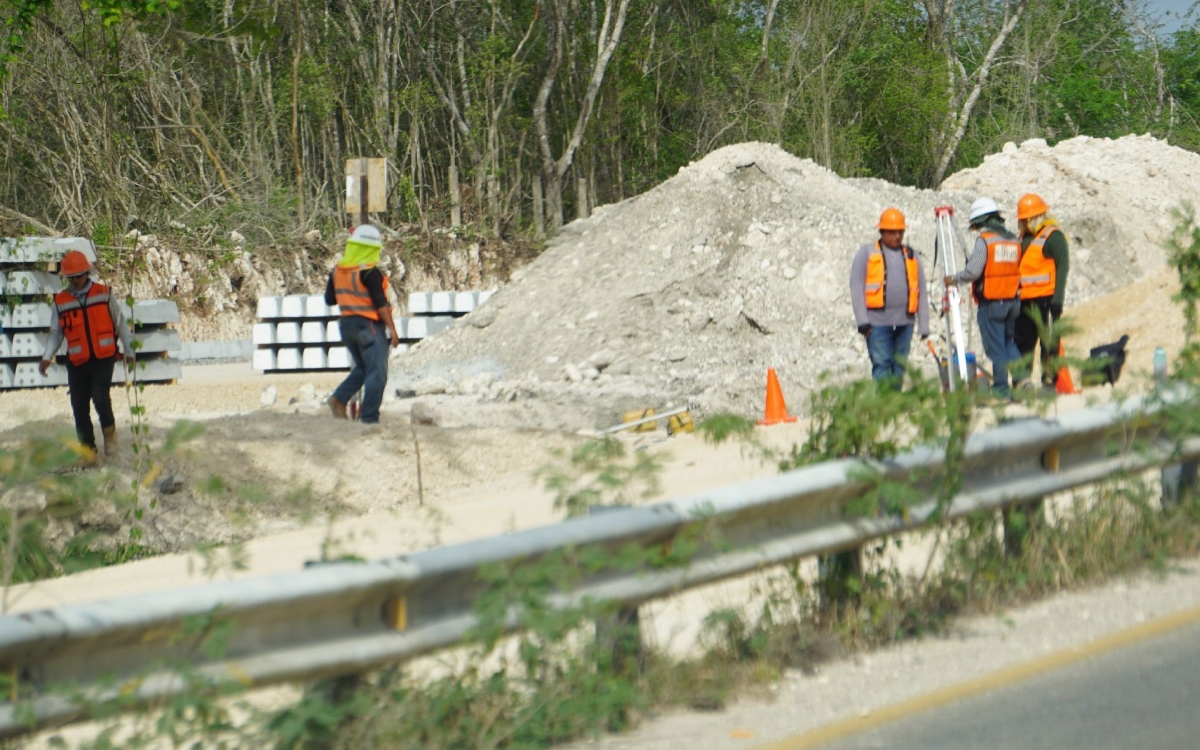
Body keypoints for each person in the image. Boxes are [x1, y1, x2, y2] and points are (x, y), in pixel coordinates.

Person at [39, 250, 134, 464]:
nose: (74, 281)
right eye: (70, 277)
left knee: (100, 397)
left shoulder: (104, 294)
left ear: (87, 273)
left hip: (104, 357)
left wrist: (129, 351)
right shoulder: (60, 301)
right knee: (79, 407)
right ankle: (88, 452)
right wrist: (47, 356)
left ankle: (110, 436)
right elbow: (56, 332)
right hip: (77, 360)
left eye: (78, 276)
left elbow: (120, 323)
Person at [944, 197, 1022, 399]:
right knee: (1008, 343)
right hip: (1013, 301)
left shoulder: (986, 240)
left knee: (996, 348)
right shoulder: (1014, 239)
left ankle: (1001, 390)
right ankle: (1023, 381)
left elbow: (973, 271)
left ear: (981, 221)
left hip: (992, 302)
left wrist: (953, 279)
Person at [325, 224, 400, 424]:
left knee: (365, 367)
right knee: (377, 373)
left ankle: (339, 398)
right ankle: (369, 418)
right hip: (369, 326)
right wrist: (392, 330)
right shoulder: (368, 271)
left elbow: (330, 299)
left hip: (347, 326)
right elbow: (381, 304)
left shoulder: (337, 271)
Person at [850, 208, 931, 387]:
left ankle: (895, 405)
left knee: (899, 365)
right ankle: (884, 407)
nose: (897, 236)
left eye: (900, 232)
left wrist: (924, 324)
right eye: (892, 232)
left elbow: (921, 290)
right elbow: (856, 287)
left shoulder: (911, 255)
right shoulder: (866, 254)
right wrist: (862, 320)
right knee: (882, 364)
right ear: (881, 231)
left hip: (905, 322)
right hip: (877, 323)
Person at [1015, 193, 1070, 388]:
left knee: (1048, 343)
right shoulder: (1025, 239)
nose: (1020, 224)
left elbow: (1062, 269)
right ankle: (1022, 382)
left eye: (1022, 220)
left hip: (1046, 300)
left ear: (1032, 218)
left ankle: (1049, 380)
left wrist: (1057, 301)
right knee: (1023, 343)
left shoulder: (1053, 237)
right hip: (1025, 300)